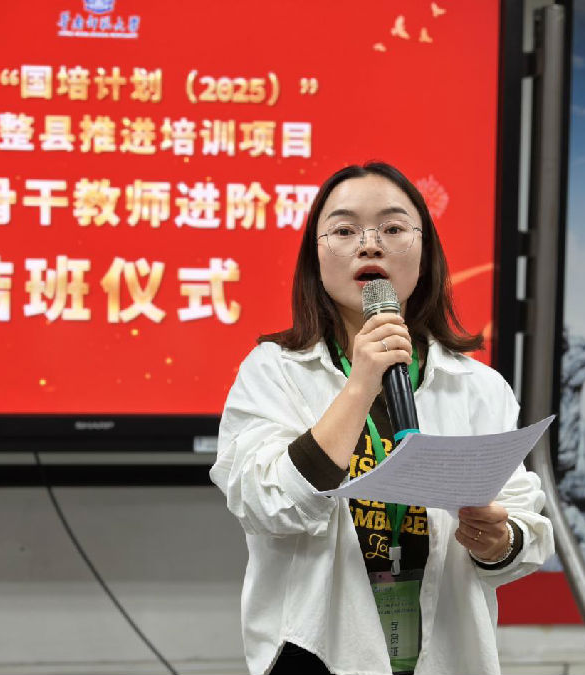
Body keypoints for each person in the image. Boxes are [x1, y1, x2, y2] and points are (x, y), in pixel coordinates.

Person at [210, 162, 554, 675]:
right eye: (345, 230)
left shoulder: (478, 386)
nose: (370, 246)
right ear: (316, 259)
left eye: (393, 229)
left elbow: (525, 522)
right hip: (316, 656)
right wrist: (360, 384)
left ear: (425, 255)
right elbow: (265, 504)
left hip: (446, 656)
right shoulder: (273, 371)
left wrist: (500, 541)